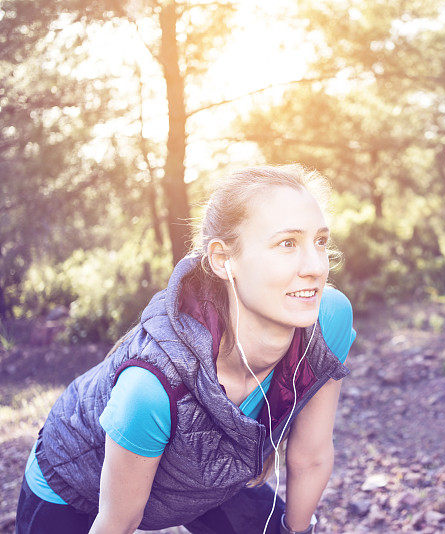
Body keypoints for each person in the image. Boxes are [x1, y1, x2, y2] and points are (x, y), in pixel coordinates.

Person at [14, 164, 357, 534]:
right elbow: (119, 520)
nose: (315, 266)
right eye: (287, 243)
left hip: (202, 472)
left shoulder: (328, 320)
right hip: (80, 492)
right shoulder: (152, 387)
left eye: (320, 241)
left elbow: (311, 456)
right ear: (224, 260)